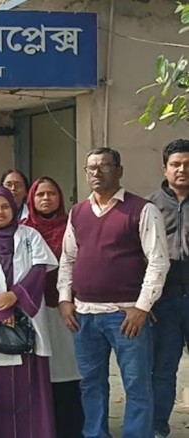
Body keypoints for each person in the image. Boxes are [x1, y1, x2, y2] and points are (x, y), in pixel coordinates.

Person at [57, 147, 169, 438]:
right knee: (91, 384)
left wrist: (142, 307)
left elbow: (158, 261)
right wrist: (65, 299)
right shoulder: (78, 212)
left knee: (136, 385)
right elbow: (68, 259)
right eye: (91, 168)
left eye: (105, 166)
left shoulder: (142, 209)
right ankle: (95, 434)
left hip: (126, 315)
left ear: (119, 170)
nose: (97, 172)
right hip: (84, 315)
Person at [0, 186, 57, 438]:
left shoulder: (30, 235)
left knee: (31, 389)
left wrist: (16, 296)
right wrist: (0, 310)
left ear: (14, 208)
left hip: (27, 320)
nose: (0, 212)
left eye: (5, 206)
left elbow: (39, 269)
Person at [22, 176, 83, 438]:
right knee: (40, 373)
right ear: (31, 199)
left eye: (51, 193)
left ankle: (72, 428)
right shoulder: (22, 231)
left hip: (66, 310)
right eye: (40, 194)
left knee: (70, 371)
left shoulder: (74, 226)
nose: (46, 198)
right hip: (33, 312)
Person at [146, 139, 189, 438]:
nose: (182, 169)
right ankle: (158, 427)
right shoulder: (150, 206)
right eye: (176, 164)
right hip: (165, 298)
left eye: (187, 164)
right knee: (163, 367)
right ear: (165, 168)